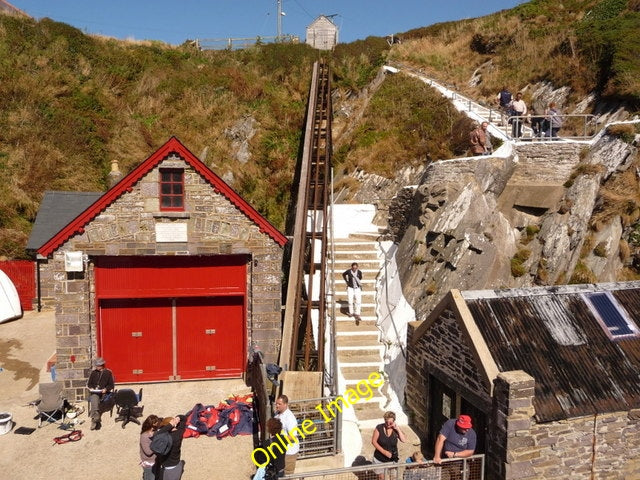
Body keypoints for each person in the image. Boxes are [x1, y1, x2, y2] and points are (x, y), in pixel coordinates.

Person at [371, 411, 407, 479]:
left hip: (392, 459)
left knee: (393, 477)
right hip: (380, 459)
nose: (388, 424)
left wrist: (397, 429)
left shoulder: (395, 430)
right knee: (381, 478)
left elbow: (404, 440)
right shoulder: (379, 428)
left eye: (390, 423)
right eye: (386, 422)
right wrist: (384, 452)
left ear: (394, 421)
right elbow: (374, 441)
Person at [153, 415, 187, 480]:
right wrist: (178, 418)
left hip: (169, 468)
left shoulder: (165, 438)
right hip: (176, 463)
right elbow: (184, 418)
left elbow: (157, 435)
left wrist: (170, 425)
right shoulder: (179, 433)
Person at [87, 357, 115, 431]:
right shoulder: (93, 373)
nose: (96, 367)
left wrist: (105, 389)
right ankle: (96, 418)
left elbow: (111, 385)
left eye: (97, 365)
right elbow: (89, 384)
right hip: (95, 392)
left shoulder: (108, 373)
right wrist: (91, 388)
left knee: (94, 399)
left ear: (101, 365)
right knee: (94, 397)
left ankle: (94, 420)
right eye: (96, 365)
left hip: (104, 392)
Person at [274, 395, 299, 475]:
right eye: (276, 404)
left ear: (285, 404)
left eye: (279, 404)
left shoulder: (290, 418)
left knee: (287, 474)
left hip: (289, 452)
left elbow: (293, 436)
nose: (277, 406)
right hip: (281, 450)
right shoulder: (278, 414)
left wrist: (278, 440)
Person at [140, 414, 160, 480]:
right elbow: (148, 452)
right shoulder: (144, 436)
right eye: (157, 422)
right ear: (153, 424)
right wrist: (157, 444)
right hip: (149, 463)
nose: (158, 423)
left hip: (156, 461)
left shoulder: (155, 432)